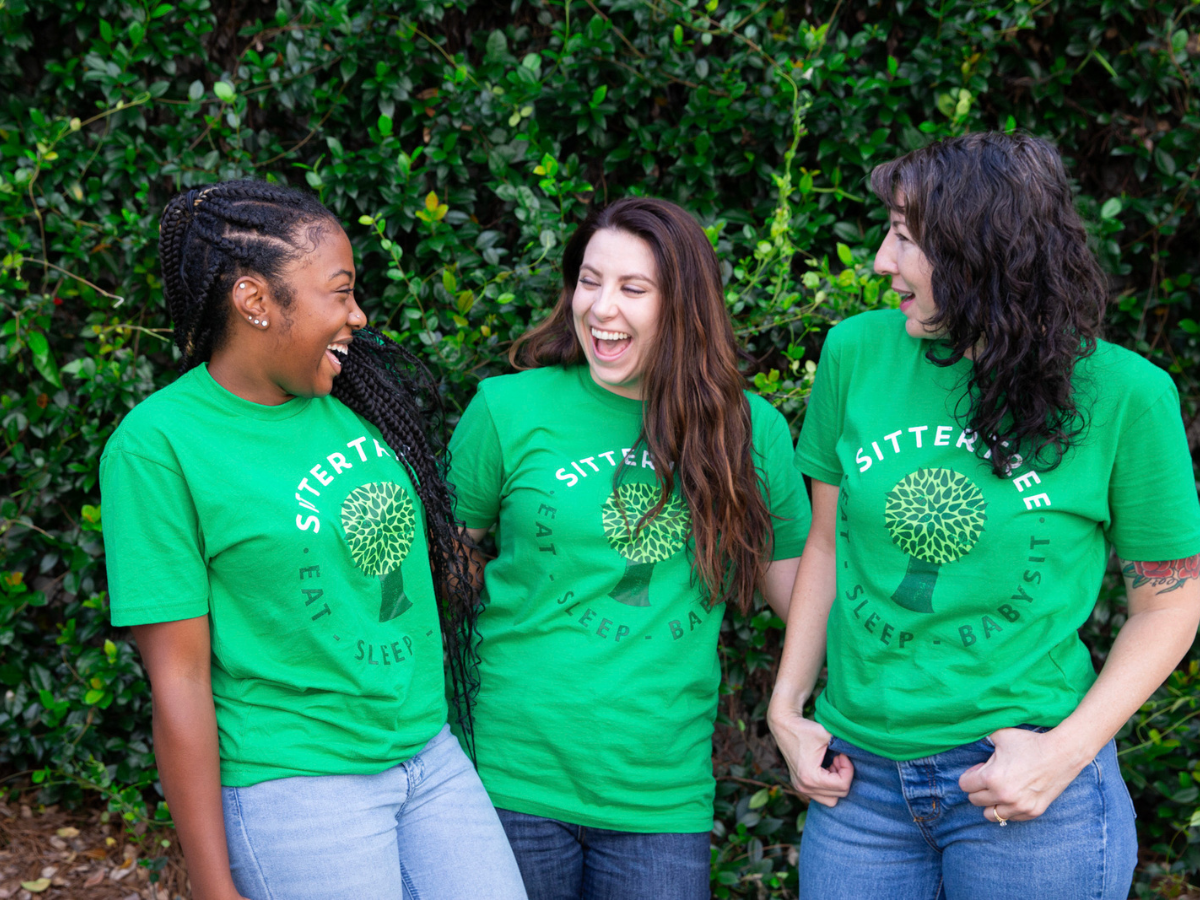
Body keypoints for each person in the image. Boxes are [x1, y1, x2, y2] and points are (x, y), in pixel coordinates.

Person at [768, 131, 1200, 899]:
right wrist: (787, 705)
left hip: (1026, 783)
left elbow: (1170, 604)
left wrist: (1065, 753)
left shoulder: (1127, 396)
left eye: (904, 239)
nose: (881, 261)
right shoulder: (855, 353)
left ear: (980, 252)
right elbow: (828, 546)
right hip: (857, 783)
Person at [100, 181, 526, 900]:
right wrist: (213, 884)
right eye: (340, 291)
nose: (358, 315)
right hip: (298, 785)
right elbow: (178, 683)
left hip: (429, 758)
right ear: (255, 300)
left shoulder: (353, 398)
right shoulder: (159, 448)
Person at [446, 196, 812, 899]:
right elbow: (441, 563)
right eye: (590, 281)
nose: (601, 308)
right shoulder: (507, 409)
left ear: (684, 307)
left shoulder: (747, 429)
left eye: (633, 288)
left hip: (659, 793)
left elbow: (802, 593)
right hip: (509, 775)